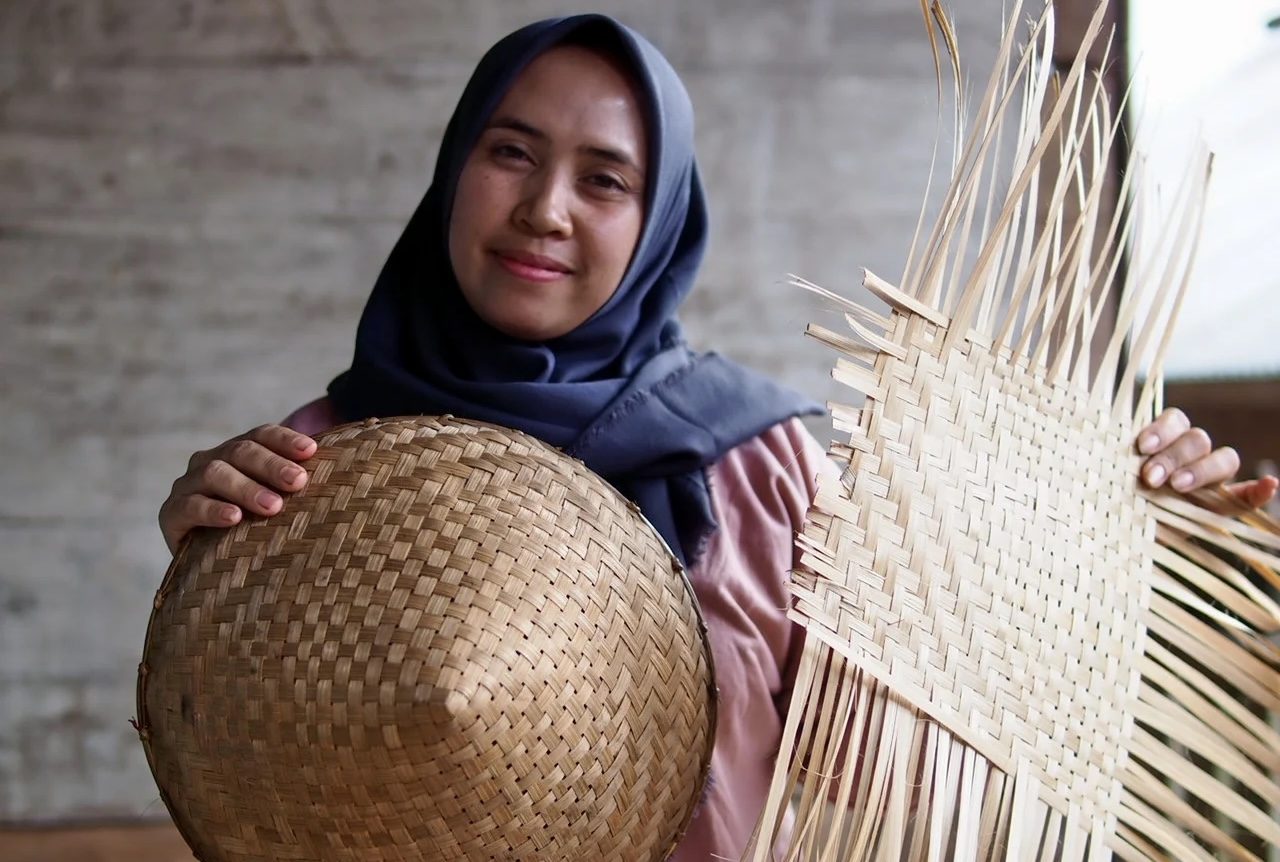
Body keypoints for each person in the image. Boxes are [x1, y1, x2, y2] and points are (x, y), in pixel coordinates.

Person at [156, 14, 1278, 860]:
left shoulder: (755, 464)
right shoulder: (319, 464)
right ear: (453, 170)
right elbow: (246, 754)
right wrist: (207, 577)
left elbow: (895, 762)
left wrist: (1147, 540)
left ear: (658, 223)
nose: (545, 207)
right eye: (509, 152)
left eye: (604, 179)